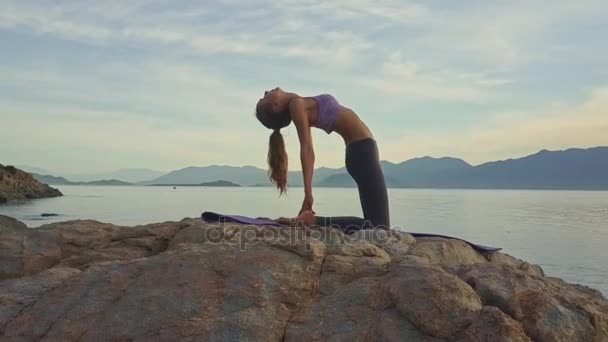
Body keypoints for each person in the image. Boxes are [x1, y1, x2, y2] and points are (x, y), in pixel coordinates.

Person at [255, 87, 390, 232]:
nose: (266, 91)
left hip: (363, 152)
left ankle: (312, 221)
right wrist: (308, 193)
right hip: (362, 153)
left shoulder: (299, 103)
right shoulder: (297, 106)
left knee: (376, 225)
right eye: (264, 97)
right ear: (276, 105)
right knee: (380, 228)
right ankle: (312, 221)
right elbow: (307, 148)